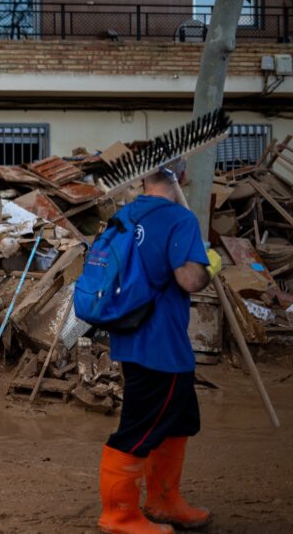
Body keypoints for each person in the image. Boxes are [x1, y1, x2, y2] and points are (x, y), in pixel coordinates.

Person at [97, 160, 220, 533]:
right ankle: (118, 516)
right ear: (182, 176)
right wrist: (209, 263)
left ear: (143, 178)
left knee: (178, 418)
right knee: (138, 427)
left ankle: (165, 500)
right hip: (159, 343)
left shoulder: (124, 216)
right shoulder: (179, 219)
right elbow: (188, 278)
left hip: (131, 335)